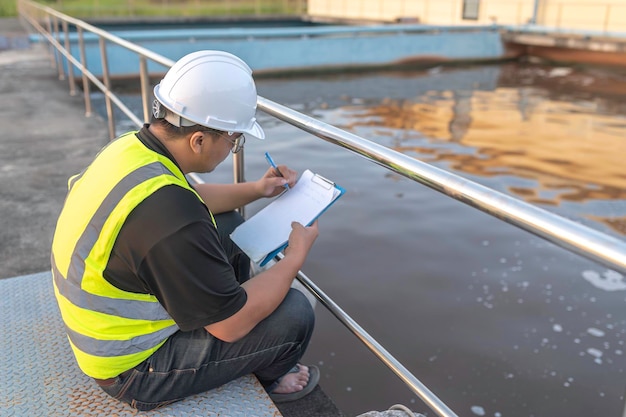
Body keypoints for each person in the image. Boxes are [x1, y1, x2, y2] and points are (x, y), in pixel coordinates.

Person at [50, 50, 320, 411]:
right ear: (198, 140)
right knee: (295, 314)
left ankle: (218, 308)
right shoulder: (170, 218)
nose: (232, 149)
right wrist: (295, 255)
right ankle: (271, 375)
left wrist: (257, 189)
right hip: (131, 368)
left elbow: (192, 199)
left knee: (224, 225)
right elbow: (229, 327)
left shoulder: (130, 149)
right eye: (233, 140)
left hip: (99, 328)